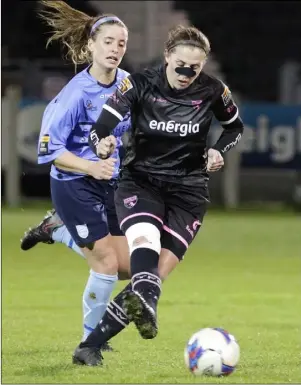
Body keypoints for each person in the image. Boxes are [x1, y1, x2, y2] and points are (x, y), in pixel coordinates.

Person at [72, 24, 244, 366]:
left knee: (153, 279)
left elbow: (234, 126)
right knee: (145, 245)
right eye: (180, 64)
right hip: (141, 183)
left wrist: (218, 149)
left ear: (203, 65)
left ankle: (88, 347)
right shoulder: (138, 84)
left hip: (189, 192)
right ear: (167, 56)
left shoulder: (213, 91)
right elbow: (101, 126)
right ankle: (133, 311)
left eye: (194, 68)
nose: (185, 73)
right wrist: (102, 143)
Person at [34, 0, 132, 349]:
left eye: (121, 43)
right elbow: (50, 152)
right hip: (74, 184)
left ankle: (59, 230)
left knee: (127, 268)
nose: (115, 49)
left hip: (111, 183)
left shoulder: (127, 86)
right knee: (105, 264)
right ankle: (91, 341)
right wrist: (91, 165)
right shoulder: (74, 94)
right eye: (107, 41)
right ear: (90, 45)